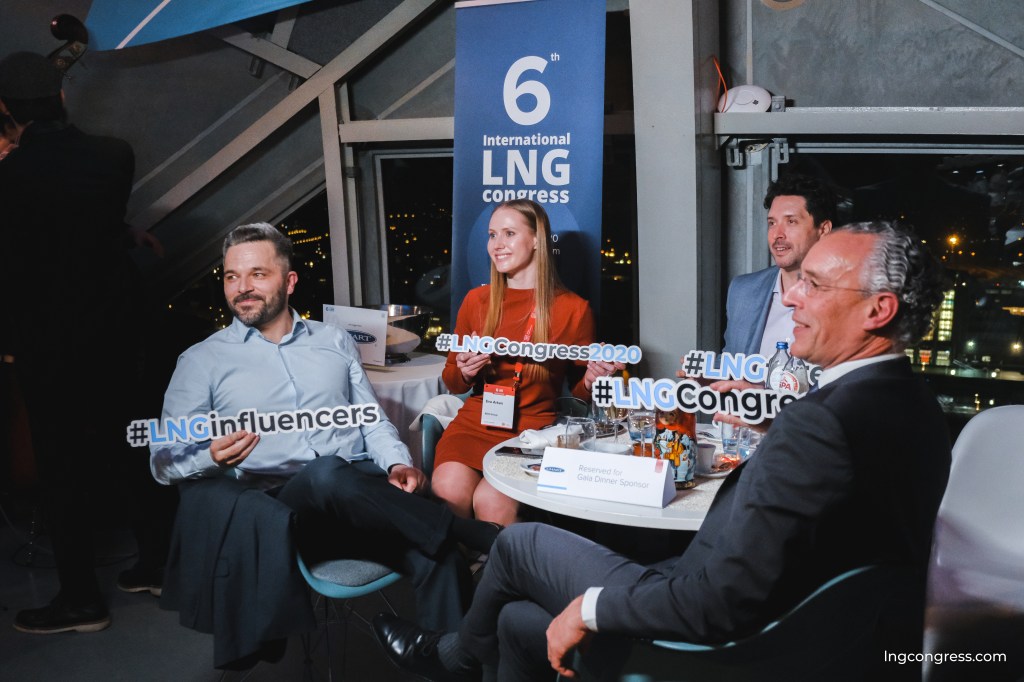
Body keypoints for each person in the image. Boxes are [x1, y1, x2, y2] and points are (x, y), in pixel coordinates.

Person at [372, 220, 951, 682]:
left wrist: (590, 609)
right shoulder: (913, 404)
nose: (793, 296)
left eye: (815, 285)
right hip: (826, 632)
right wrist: (779, 425)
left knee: (520, 545)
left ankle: (452, 657)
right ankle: (464, 653)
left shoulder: (821, 425)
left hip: (731, 643)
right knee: (517, 621)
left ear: (878, 310)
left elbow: (719, 603)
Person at [149, 223, 502, 662]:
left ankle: (446, 664)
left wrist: (396, 463)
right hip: (285, 515)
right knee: (325, 472)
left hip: (361, 500)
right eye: (231, 276)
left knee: (442, 560)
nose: (242, 288)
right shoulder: (202, 360)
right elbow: (162, 460)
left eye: (257, 274)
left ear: (289, 281)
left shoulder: (334, 341)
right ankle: (473, 533)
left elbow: (371, 420)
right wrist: (209, 455)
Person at [0, 51, 162, 635]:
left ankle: (80, 601)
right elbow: (82, 220)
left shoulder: (9, 176)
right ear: (63, 96)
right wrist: (126, 233)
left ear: (6, 109)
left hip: (50, 343)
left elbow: (27, 244)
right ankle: (157, 565)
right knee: (134, 446)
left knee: (60, 466)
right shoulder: (114, 154)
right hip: (117, 331)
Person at [431, 199, 620, 527]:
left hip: (531, 433)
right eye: (492, 235)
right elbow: (452, 381)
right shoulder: (476, 301)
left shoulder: (574, 309)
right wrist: (463, 370)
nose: (497, 244)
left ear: (536, 240)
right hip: (473, 426)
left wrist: (591, 379)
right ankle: (461, 562)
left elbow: (579, 397)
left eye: (509, 233)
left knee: (491, 503)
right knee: (449, 492)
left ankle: (498, 562)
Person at [722, 173, 837, 358]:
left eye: (791, 221)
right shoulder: (743, 291)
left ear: (823, 230)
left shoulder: (848, 297)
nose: (777, 234)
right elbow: (731, 359)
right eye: (772, 223)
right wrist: (706, 374)